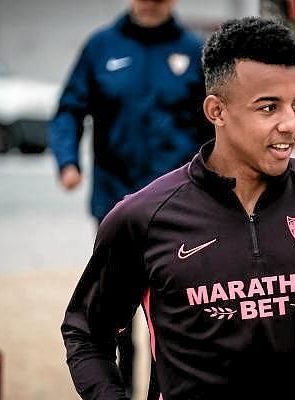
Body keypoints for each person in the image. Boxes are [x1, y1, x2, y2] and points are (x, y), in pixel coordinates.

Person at [61, 16, 295, 400]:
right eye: (269, 108)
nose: (291, 124)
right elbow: (86, 333)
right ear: (216, 111)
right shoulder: (143, 218)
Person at [49, 0, 211, 396]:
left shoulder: (193, 51)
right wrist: (68, 161)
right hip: (115, 204)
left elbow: (215, 123)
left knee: (173, 313)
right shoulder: (101, 47)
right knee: (115, 318)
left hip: (179, 209)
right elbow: (69, 109)